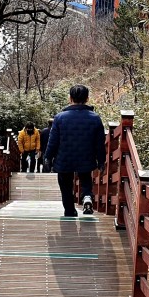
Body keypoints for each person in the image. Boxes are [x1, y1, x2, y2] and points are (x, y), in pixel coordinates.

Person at [44, 84, 106, 216]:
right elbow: (100, 143)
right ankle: (87, 197)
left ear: (70, 98)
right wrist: (101, 161)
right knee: (85, 177)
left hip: (64, 158)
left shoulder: (60, 118)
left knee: (65, 183)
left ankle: (69, 210)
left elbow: (53, 141)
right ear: (87, 99)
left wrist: (48, 157)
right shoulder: (95, 118)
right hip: (86, 156)